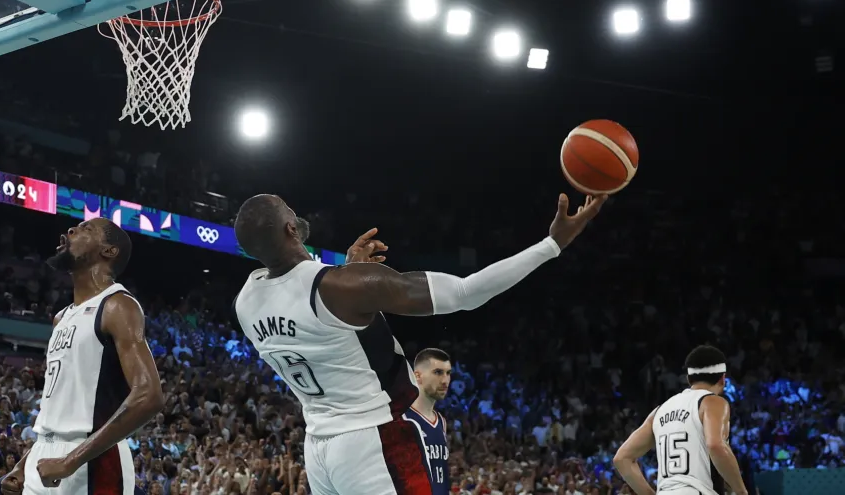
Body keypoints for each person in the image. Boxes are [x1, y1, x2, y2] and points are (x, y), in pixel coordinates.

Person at [232, 192, 605, 494]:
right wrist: (553, 244)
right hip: (375, 439)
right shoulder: (341, 288)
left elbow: (322, 329)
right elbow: (465, 292)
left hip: (319, 449)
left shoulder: (246, 303)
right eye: (289, 208)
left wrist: (350, 274)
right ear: (290, 228)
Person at [0, 218, 164, 495]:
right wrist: (23, 464)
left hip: (93, 463)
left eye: (86, 228)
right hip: (45, 454)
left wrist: (70, 461)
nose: (71, 230)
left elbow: (150, 396)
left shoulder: (117, 306)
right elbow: (61, 412)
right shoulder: (61, 318)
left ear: (109, 251)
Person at [613, 345, 748, 495]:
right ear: (723, 379)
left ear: (689, 378)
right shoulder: (713, 402)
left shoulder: (659, 411)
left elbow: (622, 458)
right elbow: (716, 445)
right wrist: (741, 491)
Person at [404, 348, 452, 495]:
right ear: (417, 376)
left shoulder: (441, 421)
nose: (445, 380)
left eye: (448, 373)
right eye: (438, 372)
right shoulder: (400, 418)